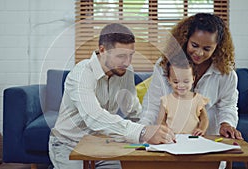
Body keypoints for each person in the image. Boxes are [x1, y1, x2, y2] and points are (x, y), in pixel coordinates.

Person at [48, 23, 173, 169]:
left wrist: (153, 128)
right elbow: (93, 117)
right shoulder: (81, 74)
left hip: (102, 144)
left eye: (130, 55)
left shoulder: (126, 71)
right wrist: (143, 132)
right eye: (121, 56)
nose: (127, 62)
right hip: (68, 145)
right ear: (102, 50)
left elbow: (133, 110)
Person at [139, 13, 244, 140]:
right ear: (185, 40)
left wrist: (227, 124)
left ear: (218, 47)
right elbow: (153, 105)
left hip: (209, 138)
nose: (199, 53)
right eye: (194, 45)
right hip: (170, 140)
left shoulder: (226, 73)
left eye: (207, 48)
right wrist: (143, 131)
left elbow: (228, 106)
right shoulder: (165, 65)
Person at [157, 56, 209, 137]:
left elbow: (204, 119)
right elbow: (161, 121)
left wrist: (201, 129)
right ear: (169, 80)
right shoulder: (166, 100)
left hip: (193, 138)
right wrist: (165, 131)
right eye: (176, 81)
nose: (181, 85)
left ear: (193, 79)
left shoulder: (198, 99)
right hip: (173, 139)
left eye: (186, 81)